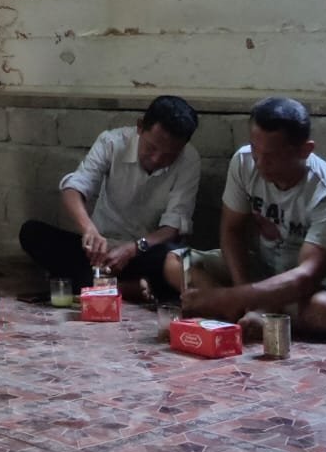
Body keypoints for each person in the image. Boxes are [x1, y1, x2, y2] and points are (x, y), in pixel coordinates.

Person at [164, 95, 326, 338]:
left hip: (317, 286)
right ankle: (248, 314)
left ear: (305, 150)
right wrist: (241, 291)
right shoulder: (244, 161)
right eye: (256, 151)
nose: (260, 163)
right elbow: (231, 231)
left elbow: (305, 278)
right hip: (262, 270)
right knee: (177, 262)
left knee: (324, 313)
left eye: (272, 155)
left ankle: (244, 311)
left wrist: (227, 297)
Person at [19, 95, 200, 300]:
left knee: (180, 259)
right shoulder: (112, 142)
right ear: (140, 127)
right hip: (99, 252)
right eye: (151, 148)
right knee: (32, 233)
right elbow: (73, 189)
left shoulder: (189, 159)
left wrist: (133, 249)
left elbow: (173, 227)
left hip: (146, 251)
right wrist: (89, 229)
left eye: (169, 155)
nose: (157, 158)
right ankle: (128, 288)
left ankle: (97, 286)